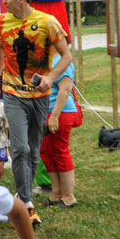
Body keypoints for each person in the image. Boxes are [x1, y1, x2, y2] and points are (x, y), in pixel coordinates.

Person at [0, 0, 71, 226]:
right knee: (21, 149)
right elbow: (1, 49)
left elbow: (67, 56)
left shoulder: (47, 22)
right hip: (13, 93)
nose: (3, 1)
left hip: (39, 96)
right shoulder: (2, 21)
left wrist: (50, 77)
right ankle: (26, 202)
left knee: (34, 151)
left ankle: (22, 196)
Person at [40, 53, 80, 206]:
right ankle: (56, 193)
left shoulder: (62, 61)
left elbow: (64, 90)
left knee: (59, 152)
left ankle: (68, 196)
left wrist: (54, 116)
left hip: (60, 112)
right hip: (45, 112)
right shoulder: (44, 58)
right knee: (46, 152)